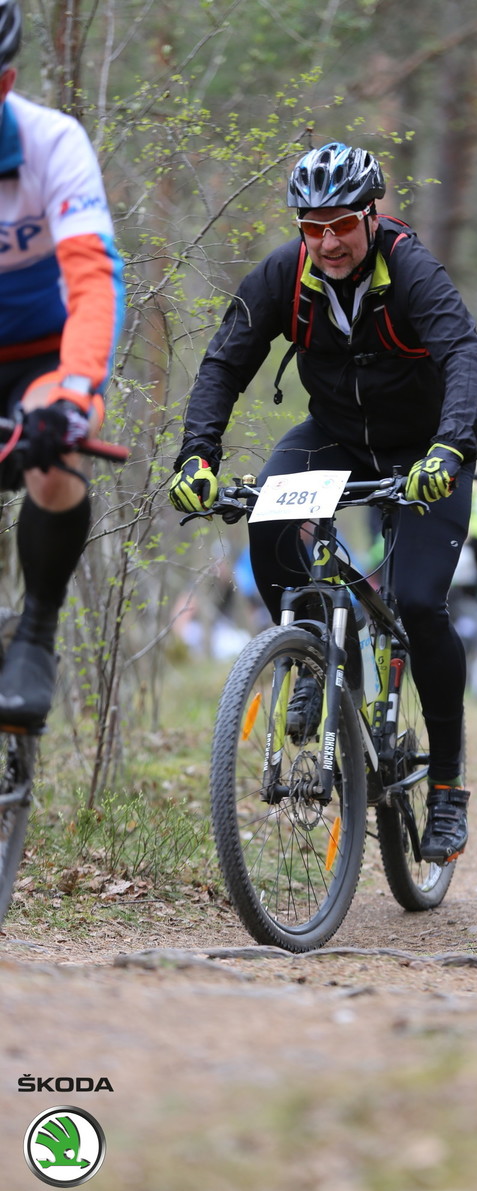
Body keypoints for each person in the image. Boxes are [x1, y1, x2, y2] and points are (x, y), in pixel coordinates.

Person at [169, 141, 477, 864]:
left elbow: (467, 355)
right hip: (336, 439)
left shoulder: (410, 270)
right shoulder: (287, 275)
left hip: (423, 452)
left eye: (341, 223)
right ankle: (312, 650)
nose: (328, 241)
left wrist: (450, 448)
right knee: (271, 518)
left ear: (371, 216)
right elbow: (225, 360)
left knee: (418, 603)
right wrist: (198, 455)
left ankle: (445, 784)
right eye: (312, 227)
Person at [0, 0, 125, 728]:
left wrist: (70, 398)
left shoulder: (53, 144)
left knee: (53, 461)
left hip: (47, 355)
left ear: (7, 78)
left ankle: (36, 634)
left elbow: (93, 282)